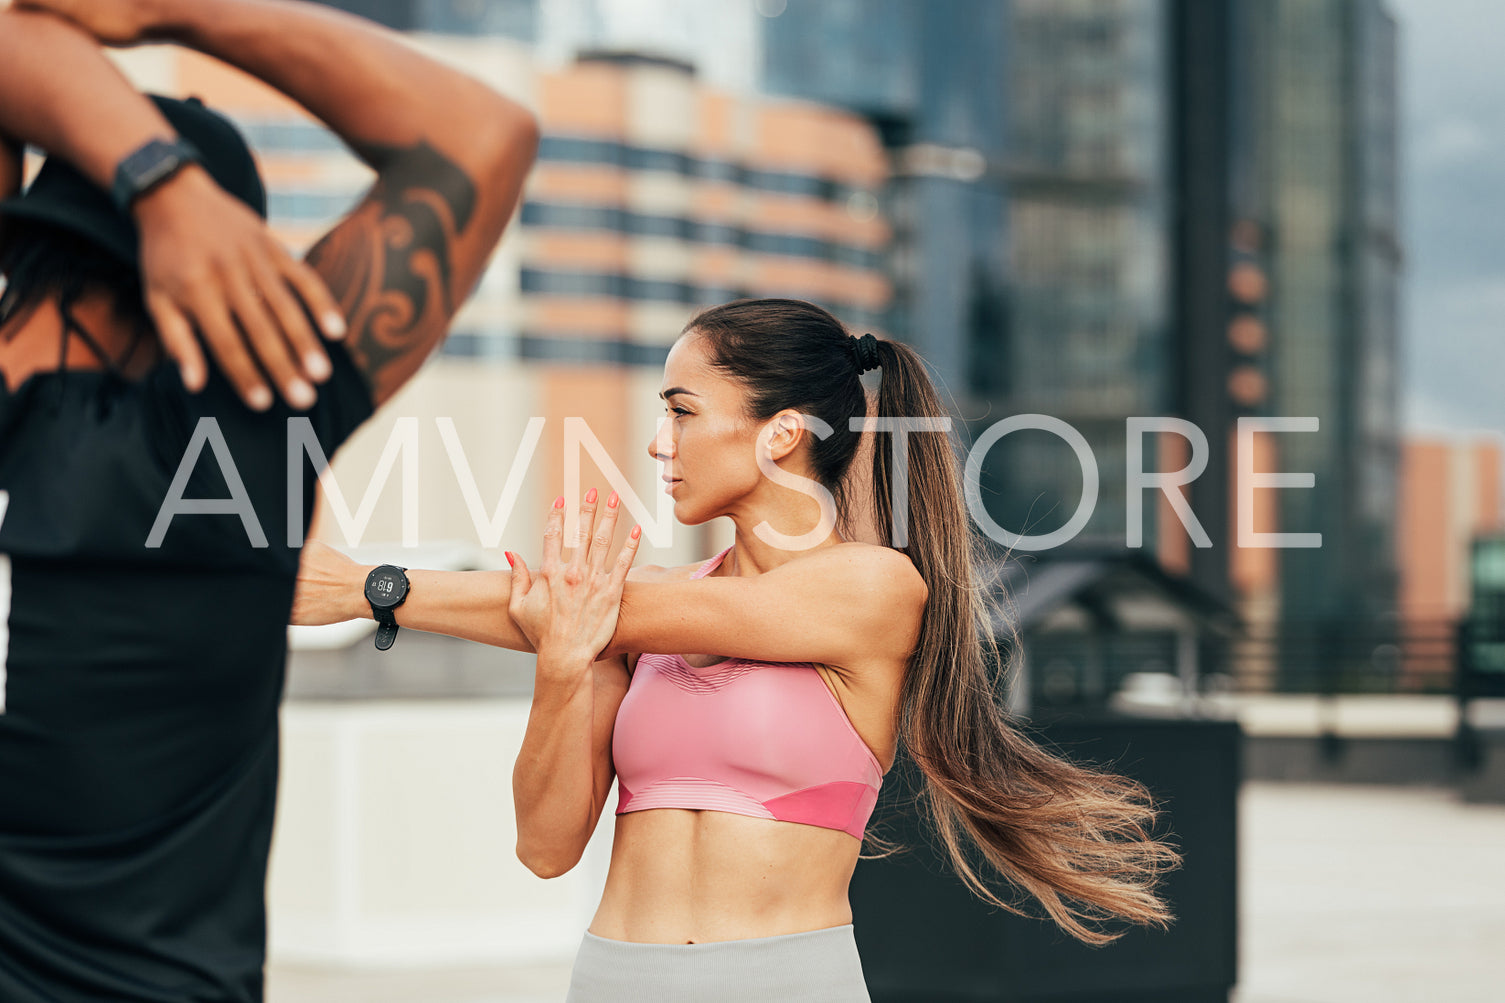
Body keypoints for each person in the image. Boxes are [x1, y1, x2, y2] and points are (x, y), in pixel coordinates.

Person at [293, 298, 1185, 1000]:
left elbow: (598, 607)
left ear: (781, 432)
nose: (656, 442)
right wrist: (563, 666)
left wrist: (370, 586)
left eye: (682, 411)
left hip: (783, 983)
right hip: (613, 980)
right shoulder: (634, 619)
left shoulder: (871, 589)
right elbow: (545, 846)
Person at [0, 0, 538, 998]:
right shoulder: (222, 455)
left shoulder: (70, 429)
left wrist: (147, 182)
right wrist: (176, 22)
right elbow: (482, 136)